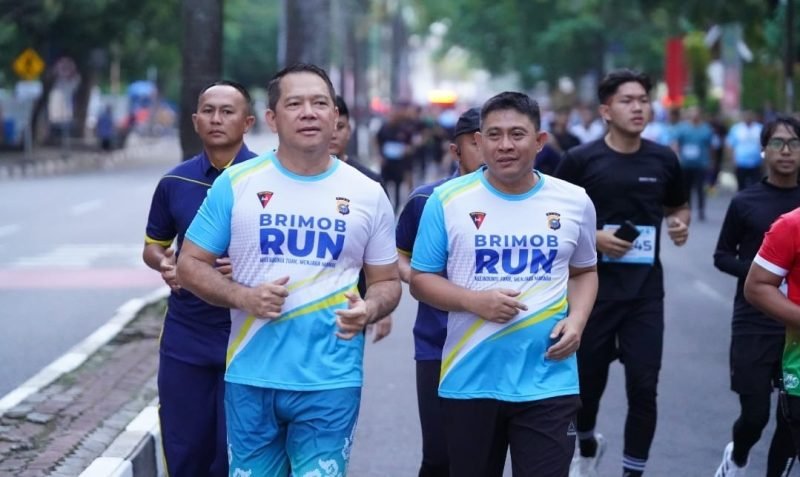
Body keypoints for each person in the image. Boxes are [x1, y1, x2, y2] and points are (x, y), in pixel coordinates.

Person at [176, 63, 401, 477]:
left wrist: (369, 309)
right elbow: (189, 264)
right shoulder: (237, 183)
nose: (309, 113)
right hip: (251, 375)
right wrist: (243, 297)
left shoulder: (367, 193)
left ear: (335, 115)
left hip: (331, 380)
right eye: (295, 104)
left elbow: (387, 281)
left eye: (320, 103)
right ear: (272, 118)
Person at [410, 92, 599, 477]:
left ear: (540, 141)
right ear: (479, 142)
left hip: (549, 379)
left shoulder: (575, 201)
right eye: (494, 135)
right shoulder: (446, 200)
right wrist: (472, 301)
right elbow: (421, 280)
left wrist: (578, 320)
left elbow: (584, 271)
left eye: (517, 134)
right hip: (470, 379)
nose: (505, 145)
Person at [555, 69, 690, 477]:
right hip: (591, 293)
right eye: (627, 100)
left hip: (645, 293)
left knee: (644, 388)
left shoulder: (664, 159)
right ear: (605, 111)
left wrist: (680, 224)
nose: (637, 107)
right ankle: (587, 442)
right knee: (587, 386)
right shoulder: (580, 160)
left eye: (643, 100)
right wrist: (594, 237)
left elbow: (678, 206)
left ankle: (633, 472)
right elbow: (553, 217)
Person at [142, 80, 257, 477]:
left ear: (248, 122)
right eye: (208, 111)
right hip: (186, 333)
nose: (216, 119)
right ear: (194, 121)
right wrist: (167, 265)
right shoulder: (175, 182)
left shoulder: (267, 180)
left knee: (233, 454)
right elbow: (153, 246)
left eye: (227, 111)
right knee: (185, 449)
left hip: (248, 333)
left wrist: (246, 269)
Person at [396, 107, 484, 477]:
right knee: (438, 456)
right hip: (438, 343)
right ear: (455, 150)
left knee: (480, 459)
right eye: (476, 142)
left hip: (497, 345)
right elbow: (398, 255)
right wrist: (420, 278)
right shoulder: (426, 200)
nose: (489, 149)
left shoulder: (526, 201)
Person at [733, 116, 800, 475]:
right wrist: (771, 271)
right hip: (757, 320)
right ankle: (737, 457)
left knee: (785, 426)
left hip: (787, 324)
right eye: (777, 143)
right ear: (763, 150)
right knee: (756, 414)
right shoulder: (751, 204)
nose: (786, 151)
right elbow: (725, 258)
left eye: (794, 143)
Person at [331, 94, 392, 343]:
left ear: (349, 130)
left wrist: (380, 308)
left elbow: (380, 254)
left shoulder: (370, 184)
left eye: (340, 126)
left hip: (353, 304)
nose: (333, 133)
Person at [672, 106, 714, 221]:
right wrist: (676, 155)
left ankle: (701, 210)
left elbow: (711, 146)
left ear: (700, 115)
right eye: (692, 113)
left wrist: (711, 161)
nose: (694, 115)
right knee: (686, 188)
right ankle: (687, 209)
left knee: (700, 188)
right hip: (686, 163)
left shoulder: (706, 129)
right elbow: (676, 143)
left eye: (696, 113)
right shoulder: (682, 128)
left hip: (701, 163)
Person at [377, 102, 415, 210]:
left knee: (398, 185)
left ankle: (397, 206)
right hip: (386, 161)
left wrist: (406, 150)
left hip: (399, 162)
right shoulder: (384, 128)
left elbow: (411, 144)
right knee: (384, 183)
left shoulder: (404, 129)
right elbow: (377, 140)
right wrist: (379, 156)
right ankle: (384, 203)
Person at [727, 110, 764, 191]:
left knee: (756, 188)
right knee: (741, 187)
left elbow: (764, 145)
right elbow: (730, 145)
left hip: (756, 163)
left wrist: (763, 159)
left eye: (750, 116)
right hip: (741, 163)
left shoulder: (760, 128)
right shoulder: (736, 129)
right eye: (746, 116)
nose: (748, 118)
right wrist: (732, 160)